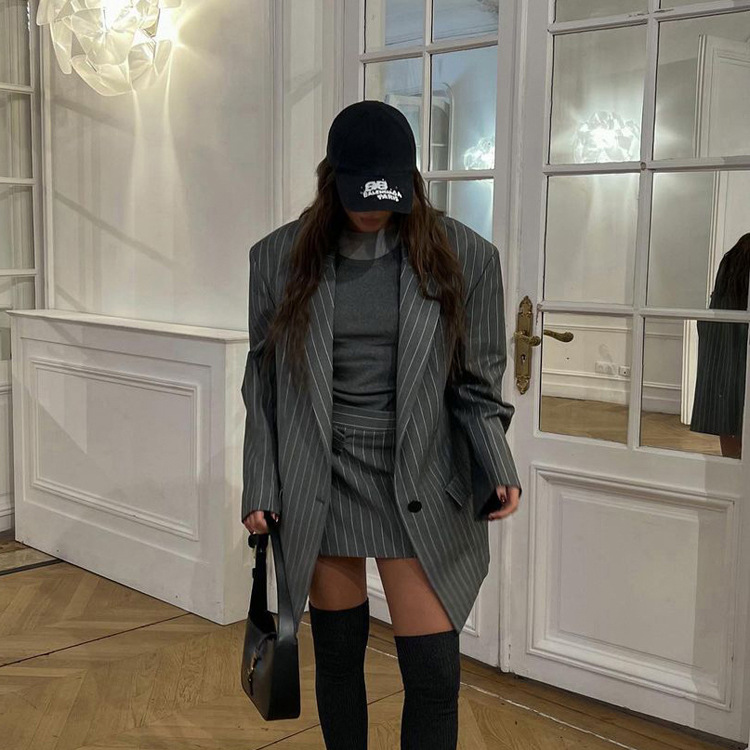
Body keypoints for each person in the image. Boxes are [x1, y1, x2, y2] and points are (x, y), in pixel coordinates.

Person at [240, 99, 522, 750]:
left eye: (387, 194)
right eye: (358, 193)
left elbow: (477, 382)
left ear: (410, 180)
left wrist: (496, 462)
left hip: (420, 474)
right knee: (338, 660)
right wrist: (260, 483)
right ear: (331, 179)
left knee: (433, 675)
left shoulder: (467, 258)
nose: (372, 208)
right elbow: (263, 384)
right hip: (321, 477)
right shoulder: (277, 258)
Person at [690, 233, 749, 459]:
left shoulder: (730, 261)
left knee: (728, 412)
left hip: (724, 335)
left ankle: (732, 466)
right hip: (733, 335)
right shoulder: (733, 263)